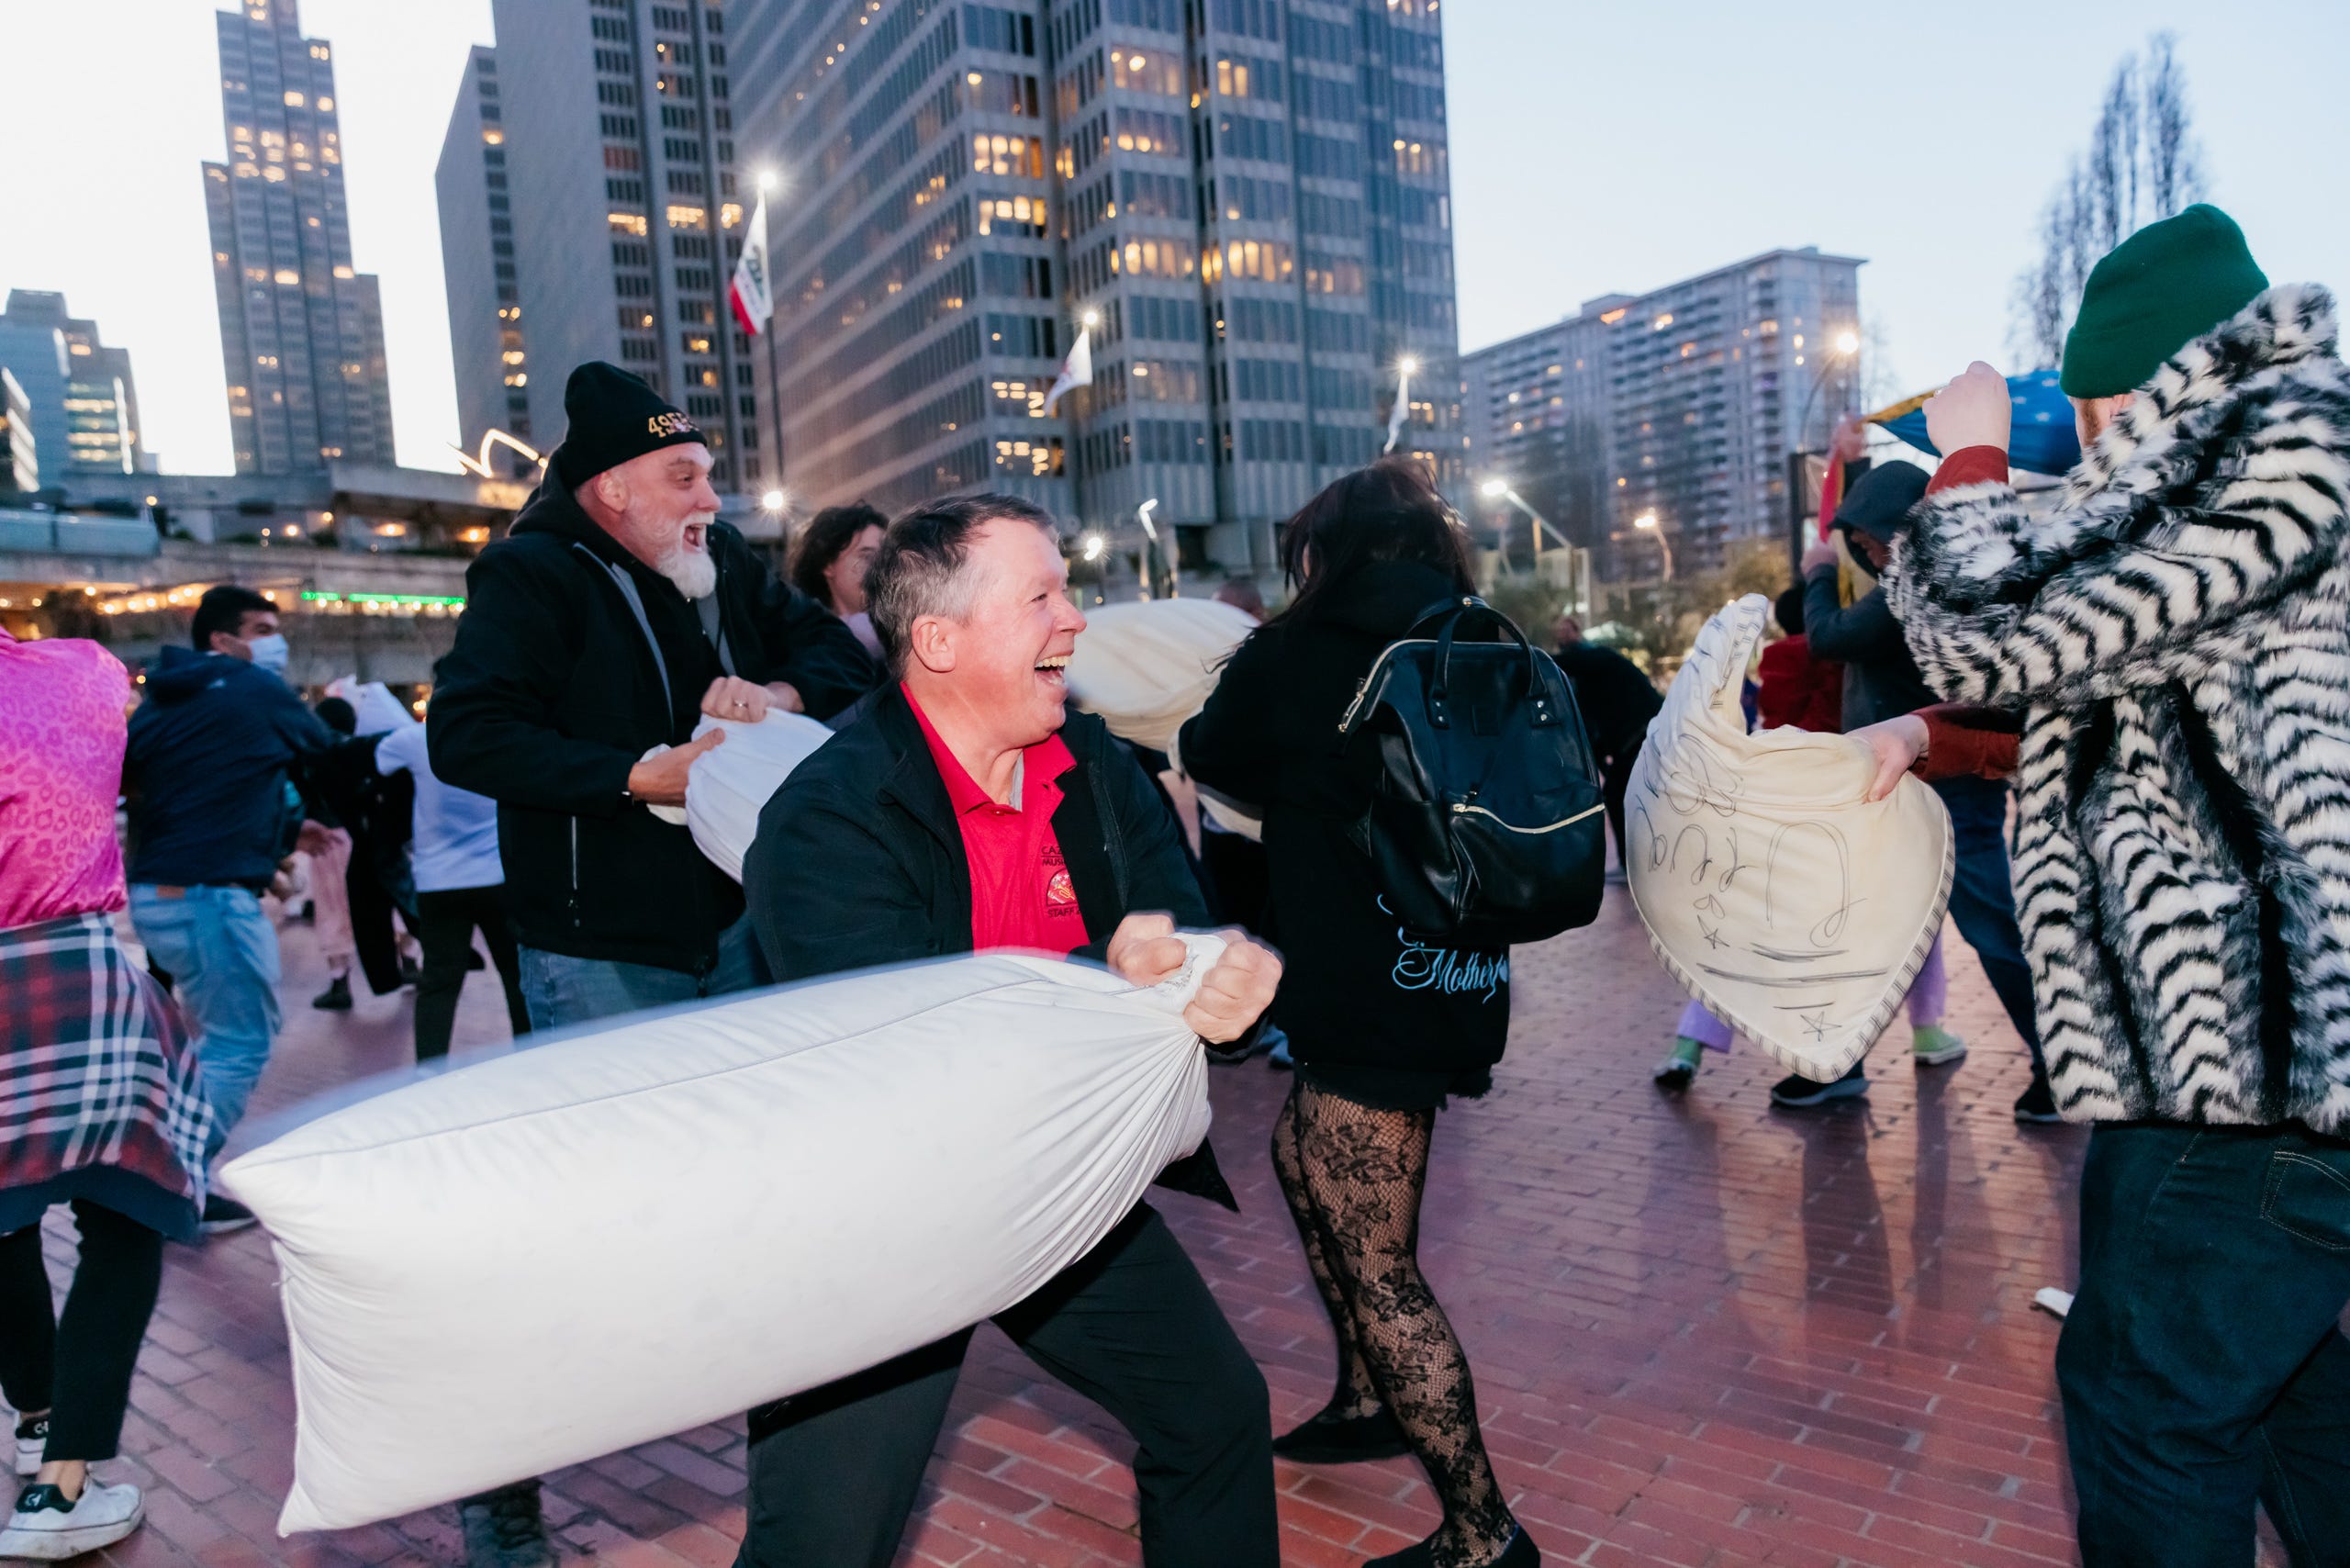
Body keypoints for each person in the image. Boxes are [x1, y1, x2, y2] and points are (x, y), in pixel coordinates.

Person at [1877, 206, 2350, 1567]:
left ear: (2137, 387)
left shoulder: (2266, 454)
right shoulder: (2273, 467)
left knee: (2147, 1409)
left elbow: (1981, 625)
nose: (2088, 451)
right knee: (2277, 1384)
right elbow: (2138, 691)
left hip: (2245, 1060)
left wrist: (1966, 455)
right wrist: (1928, 739)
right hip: (2253, 1063)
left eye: (2091, 417)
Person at [735, 494, 1283, 1568]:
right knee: (823, 1543)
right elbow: (905, 1047)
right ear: (939, 641)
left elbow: (1178, 936)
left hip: (1055, 1178)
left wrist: (1214, 978)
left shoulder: (1095, 766)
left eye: (1065, 590)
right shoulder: (826, 817)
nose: (1074, 619)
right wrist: (1107, 981)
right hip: (880, 1215)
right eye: (1040, 596)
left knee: (1216, 1415)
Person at [426, 364, 877, 1568]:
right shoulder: (531, 575)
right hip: (597, 954)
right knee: (588, 1232)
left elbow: (842, 660)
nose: (710, 498)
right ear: (612, 488)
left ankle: (800, 1500)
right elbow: (467, 733)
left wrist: (773, 689)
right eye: (684, 476)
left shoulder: (722, 565)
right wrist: (633, 775)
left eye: (709, 474)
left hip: (738, 935)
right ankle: (497, 1492)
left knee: (769, 1215)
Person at [1181, 461, 1539, 1568]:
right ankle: (1366, 1395)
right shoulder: (1480, 640)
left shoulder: (1299, 651)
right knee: (1303, 1157)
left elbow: (1208, 751)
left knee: (1381, 1265)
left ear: (1323, 552)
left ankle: (1482, 1532)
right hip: (1457, 971)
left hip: (1365, 986)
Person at [1, 627, 213, 1560]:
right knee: (126, 1215)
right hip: (70, 971)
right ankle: (58, 1489)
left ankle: (38, 1414)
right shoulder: (81, 670)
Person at [1794, 454, 2056, 1120]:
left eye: (1874, 540)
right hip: (1897, 788)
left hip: (1949, 788)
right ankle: (1838, 1064)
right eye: (1859, 547)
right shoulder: (1912, 583)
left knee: (1991, 927)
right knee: (1856, 931)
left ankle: (2058, 1066)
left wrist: (1818, 573)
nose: (1870, 554)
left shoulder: (1918, 586)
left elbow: (1827, 637)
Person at [1653, 587, 1964, 1091]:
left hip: (1785, 799)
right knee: (1913, 915)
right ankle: (1927, 1030)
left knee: (1747, 927)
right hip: (1856, 798)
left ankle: (1689, 1045)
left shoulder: (1779, 658)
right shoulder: (1851, 657)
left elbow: (1772, 720)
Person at [122, 585, 347, 1234]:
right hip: (210, 896)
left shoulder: (164, 700)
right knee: (241, 1040)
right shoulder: (249, 687)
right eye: (262, 629)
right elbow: (325, 748)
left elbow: (188, 786)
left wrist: (285, 832)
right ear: (223, 640)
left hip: (160, 892)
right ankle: (172, 1184)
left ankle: (163, 1167)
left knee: (213, 1041)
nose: (276, 642)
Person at [375, 708, 528, 1062]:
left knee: (439, 983)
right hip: (497, 875)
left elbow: (379, 757)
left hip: (438, 879)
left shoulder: (418, 739)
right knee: (515, 976)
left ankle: (429, 1070)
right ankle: (527, 1060)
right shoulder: (499, 732)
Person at [1549, 615, 1660, 880]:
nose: (1563, 635)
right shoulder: (1589, 669)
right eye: (1559, 631)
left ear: (1577, 632)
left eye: (1567, 630)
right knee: (1622, 793)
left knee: (1619, 793)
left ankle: (1633, 864)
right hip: (1637, 734)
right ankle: (1635, 862)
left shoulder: (1591, 659)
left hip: (1639, 732)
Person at [786, 500, 888, 659]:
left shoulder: (903, 628)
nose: (880, 568)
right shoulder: (805, 641)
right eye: (867, 556)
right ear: (828, 564)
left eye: (886, 557)